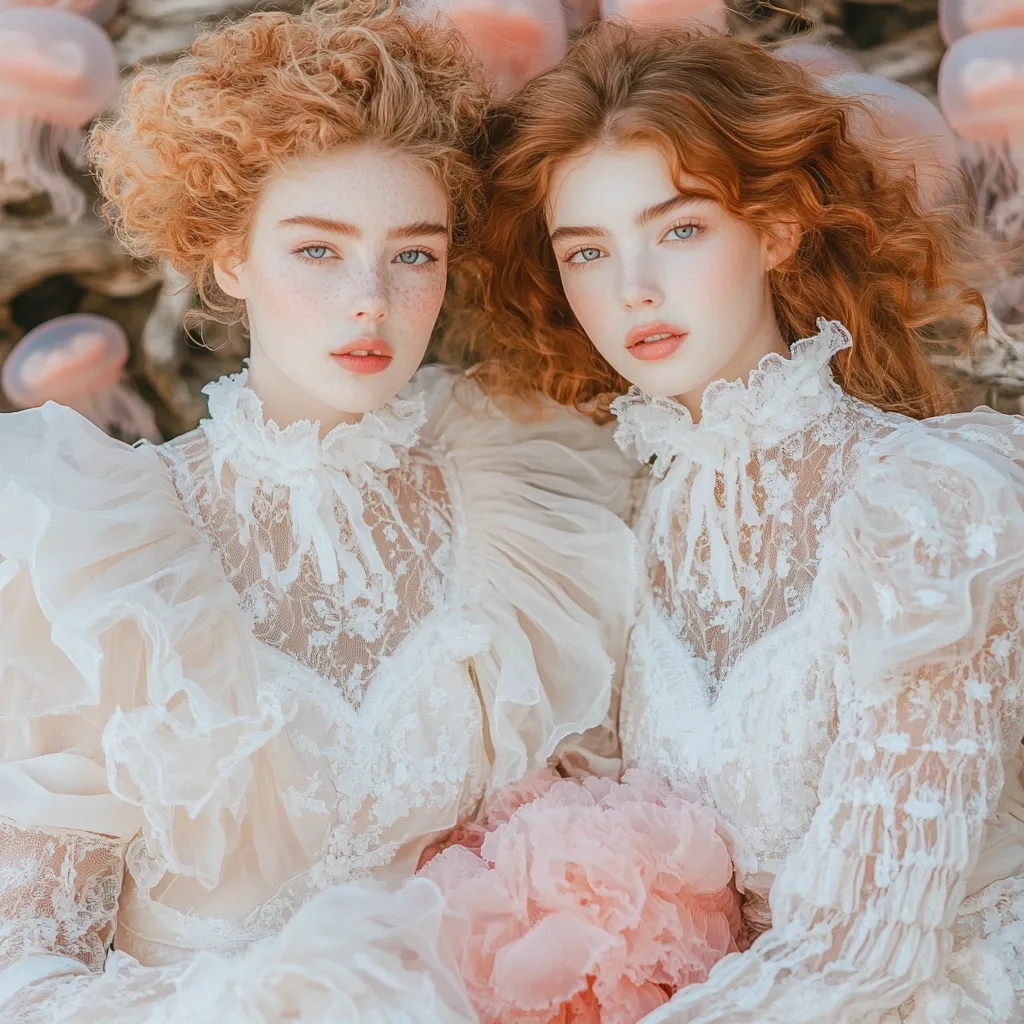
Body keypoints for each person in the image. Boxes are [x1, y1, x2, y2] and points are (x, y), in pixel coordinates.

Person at [0, 3, 635, 1019]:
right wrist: (263, 996)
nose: (371, 299)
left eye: (413, 253)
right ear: (228, 256)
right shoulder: (96, 551)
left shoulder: (518, 488)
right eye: (317, 250)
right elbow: (28, 974)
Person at [468, 22, 1024, 1023]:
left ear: (776, 229)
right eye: (587, 251)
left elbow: (870, 945)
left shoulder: (927, 506)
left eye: (679, 230)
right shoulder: (624, 522)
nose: (633, 288)